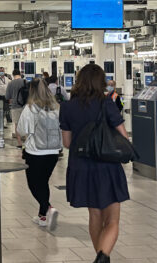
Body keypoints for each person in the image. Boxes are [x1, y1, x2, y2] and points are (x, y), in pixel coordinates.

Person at [60, 64, 130, 263]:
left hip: (81, 167)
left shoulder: (67, 107)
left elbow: (67, 143)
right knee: (113, 220)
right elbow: (123, 136)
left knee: (95, 216)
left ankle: (100, 257)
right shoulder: (106, 103)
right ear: (102, 82)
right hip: (107, 166)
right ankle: (103, 256)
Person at [16, 78, 62, 229]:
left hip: (35, 151)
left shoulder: (30, 108)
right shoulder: (56, 107)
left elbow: (22, 130)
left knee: (33, 184)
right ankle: (42, 217)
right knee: (43, 183)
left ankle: (48, 208)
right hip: (53, 152)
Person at [5, 69, 27, 147]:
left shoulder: (11, 83)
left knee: (17, 125)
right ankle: (27, 142)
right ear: (20, 74)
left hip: (15, 106)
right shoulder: (25, 82)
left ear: (13, 75)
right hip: (25, 106)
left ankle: (19, 143)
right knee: (26, 124)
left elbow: (7, 96)